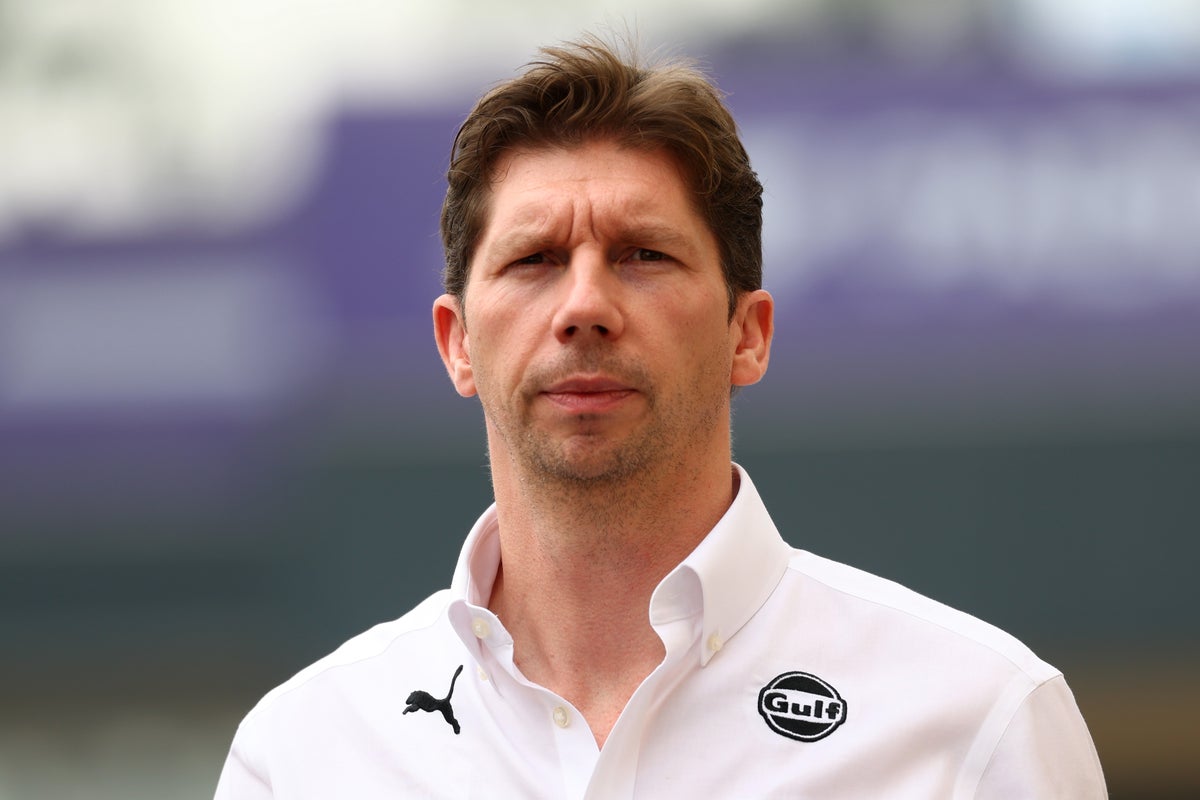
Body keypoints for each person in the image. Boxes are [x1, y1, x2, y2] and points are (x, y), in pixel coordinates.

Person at [214, 36, 1107, 798]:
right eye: (534, 260)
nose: (584, 307)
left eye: (642, 255)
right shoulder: (303, 755)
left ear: (747, 335)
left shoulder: (977, 722)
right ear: (458, 344)